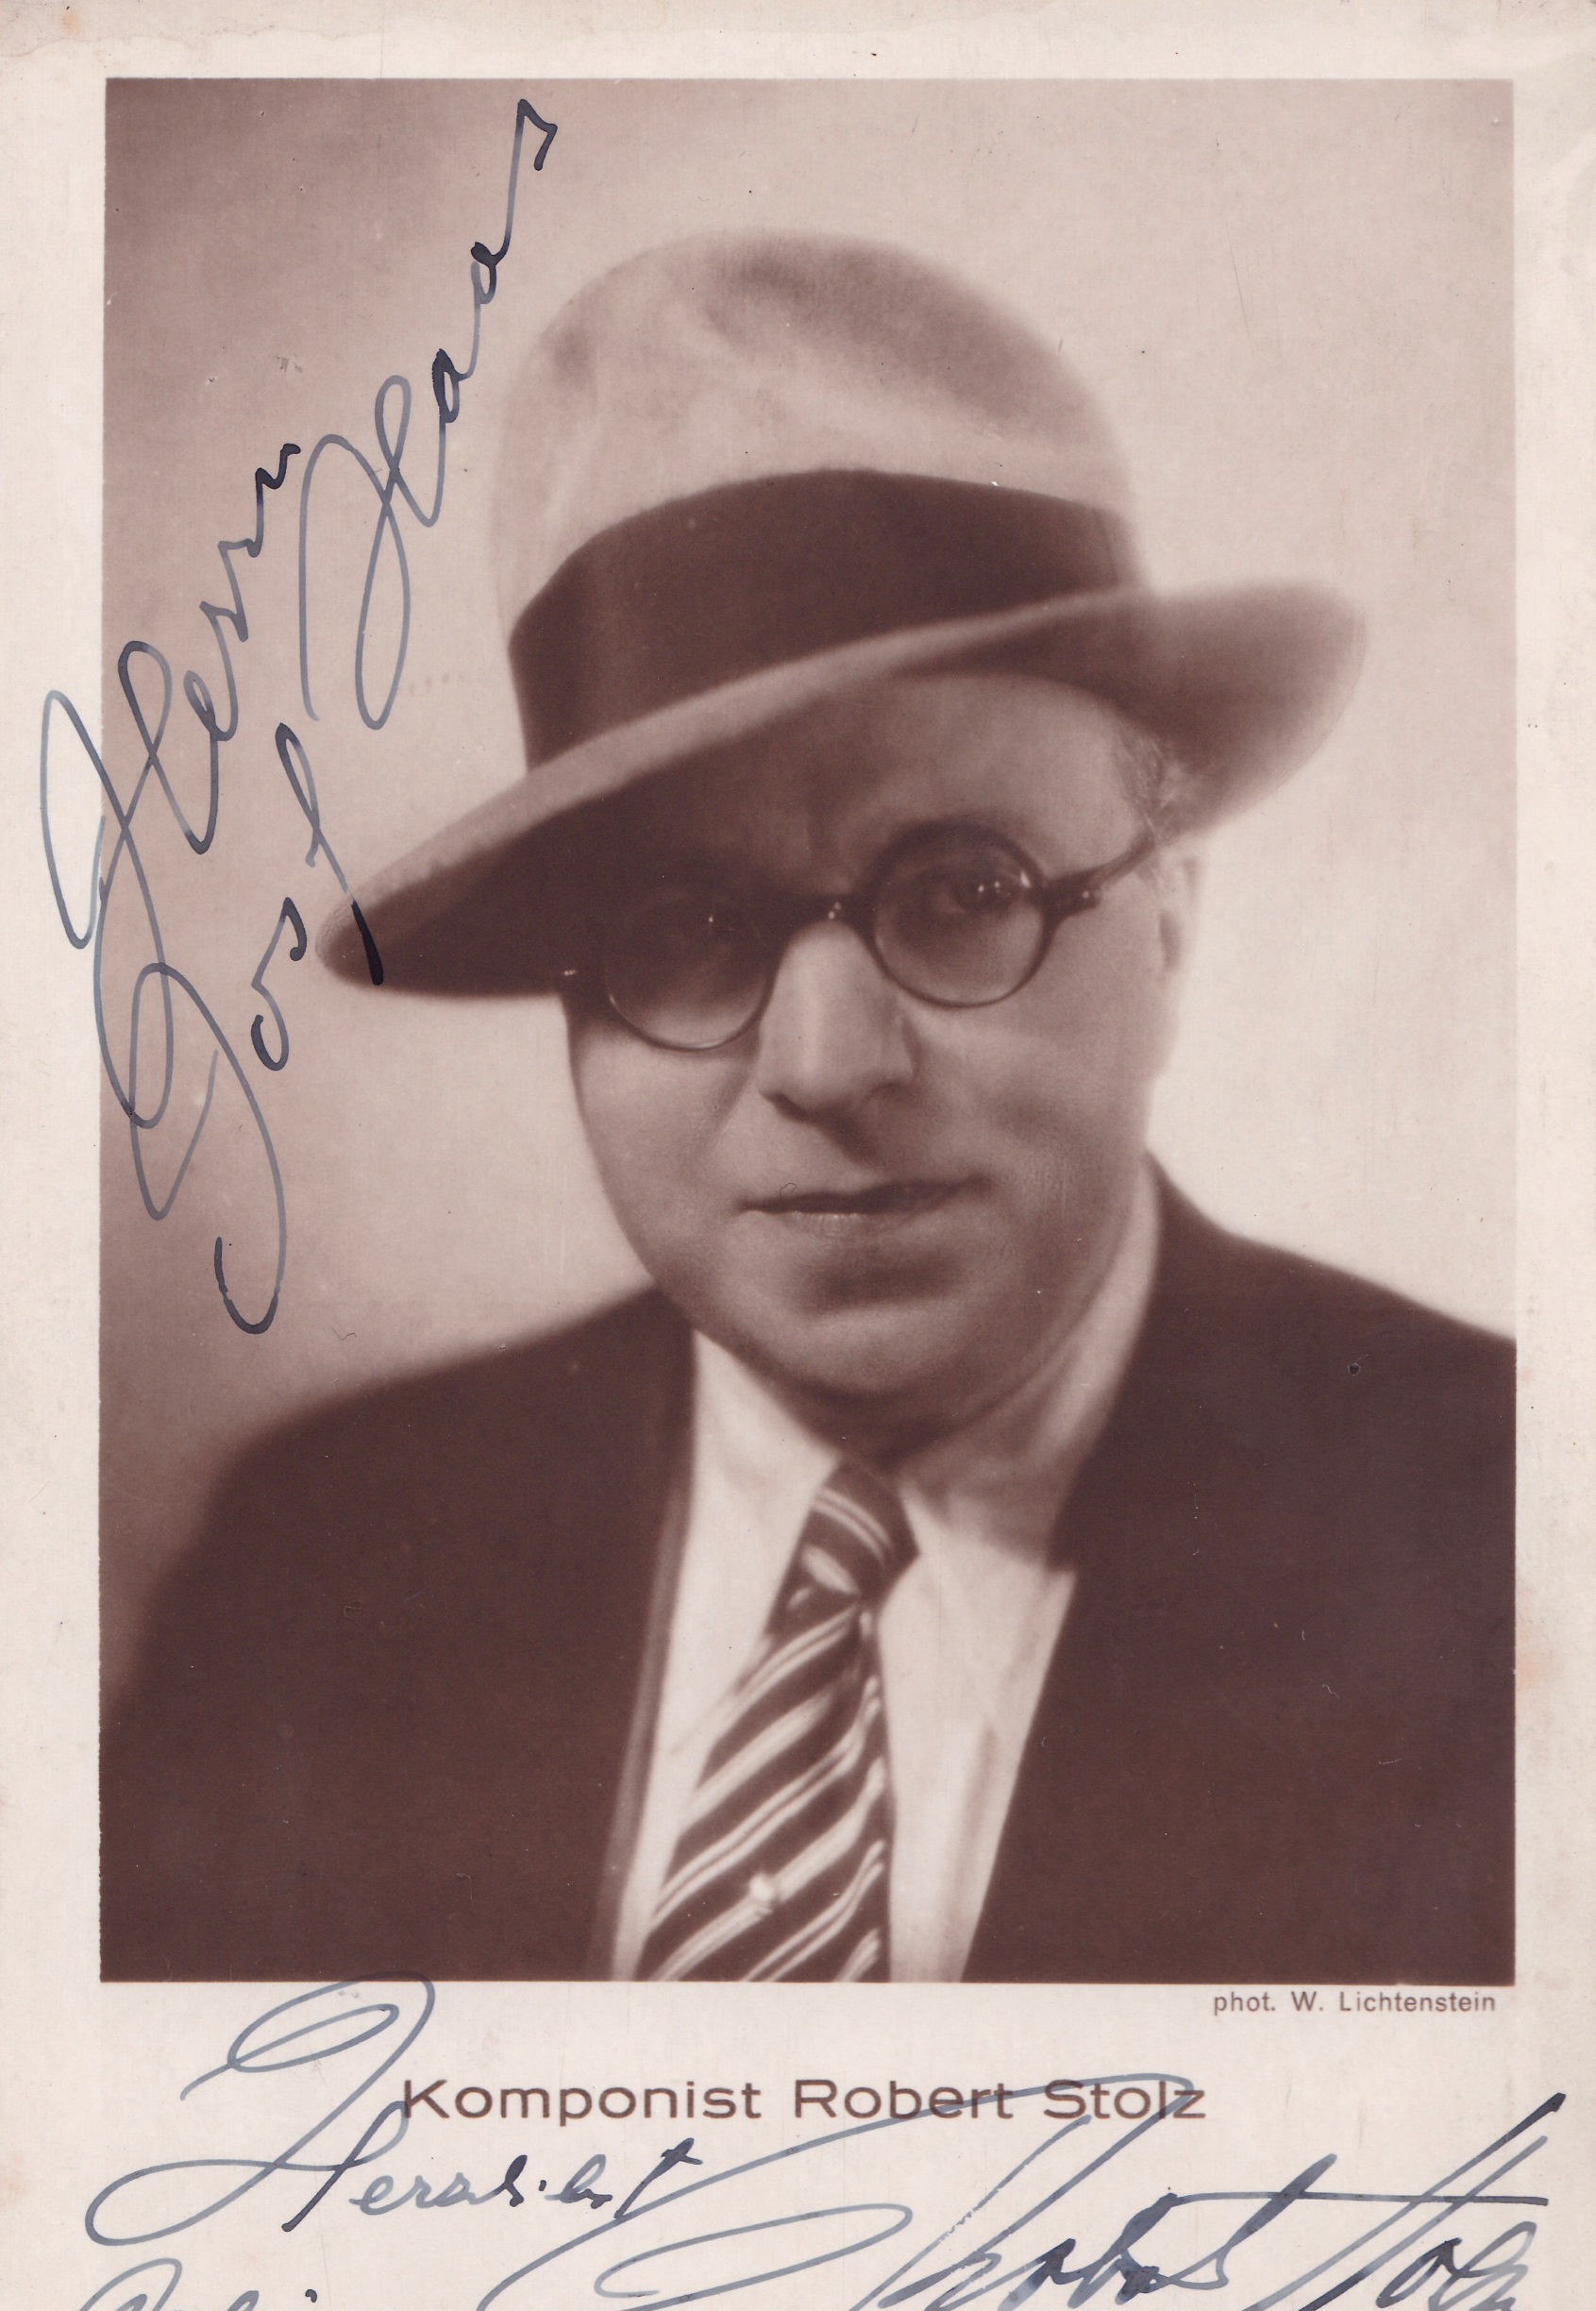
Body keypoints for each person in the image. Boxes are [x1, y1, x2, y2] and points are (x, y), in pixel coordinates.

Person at [101, 233, 1513, 1985]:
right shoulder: (315, 1574)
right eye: (682, 932)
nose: (830, 1064)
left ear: (1167, 922)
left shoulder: (1513, 1544)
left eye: (965, 892)